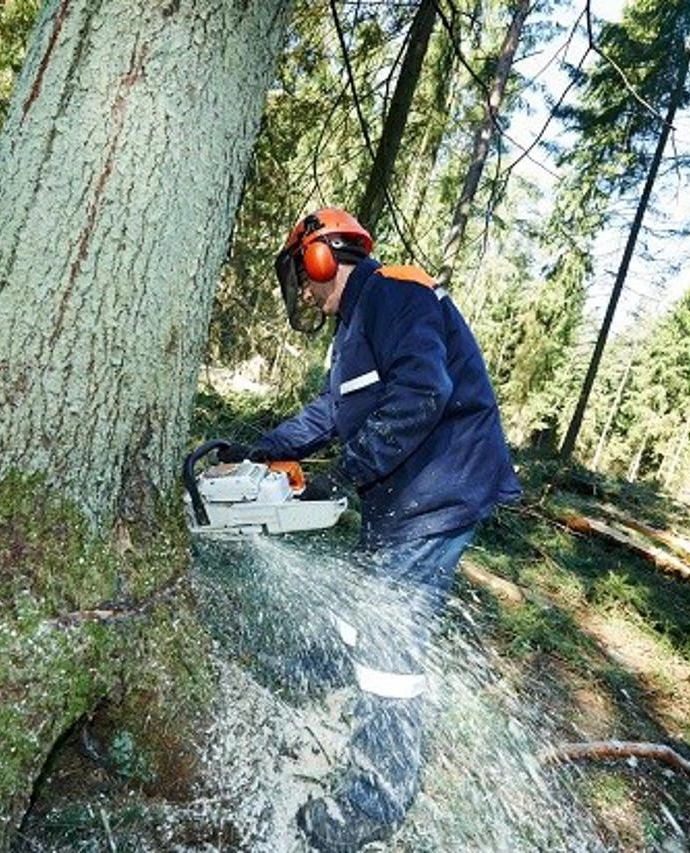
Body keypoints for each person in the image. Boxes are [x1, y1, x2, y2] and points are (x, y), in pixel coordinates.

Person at [220, 208, 522, 850]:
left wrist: (344, 474)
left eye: (303, 276)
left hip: (439, 491)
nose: (303, 292)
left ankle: (374, 802)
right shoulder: (356, 327)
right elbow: (333, 412)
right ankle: (327, 677)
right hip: (404, 497)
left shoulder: (395, 293)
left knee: (390, 646)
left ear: (322, 257)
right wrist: (263, 449)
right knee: (365, 608)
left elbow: (422, 391)